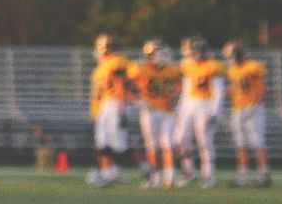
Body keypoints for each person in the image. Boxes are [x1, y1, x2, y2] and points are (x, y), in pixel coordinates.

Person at [173, 37, 225, 188]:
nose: (191, 55)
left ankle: (209, 176)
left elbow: (219, 91)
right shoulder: (187, 65)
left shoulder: (212, 66)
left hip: (205, 105)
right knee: (179, 139)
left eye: (193, 51)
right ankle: (189, 171)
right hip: (188, 105)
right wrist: (180, 108)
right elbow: (186, 89)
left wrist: (215, 112)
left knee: (205, 143)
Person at [130, 39, 180, 187]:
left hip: (167, 111)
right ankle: (155, 177)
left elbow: (180, 84)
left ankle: (170, 177)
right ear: (150, 55)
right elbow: (127, 85)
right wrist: (137, 101)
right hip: (149, 111)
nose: (163, 55)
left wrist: (176, 97)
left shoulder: (171, 70)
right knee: (152, 146)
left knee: (168, 144)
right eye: (159, 52)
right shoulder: (140, 69)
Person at [86, 34, 134, 187]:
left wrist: (124, 101)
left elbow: (122, 81)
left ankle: (112, 171)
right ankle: (107, 172)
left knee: (117, 143)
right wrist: (94, 111)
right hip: (103, 107)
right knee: (104, 142)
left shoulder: (117, 61)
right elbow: (98, 94)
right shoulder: (100, 68)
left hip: (114, 104)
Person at [223, 41, 271, 188]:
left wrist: (255, 105)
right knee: (241, 144)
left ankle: (264, 175)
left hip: (253, 108)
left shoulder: (253, 66)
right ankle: (242, 177)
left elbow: (262, 87)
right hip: (238, 108)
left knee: (257, 142)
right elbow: (236, 88)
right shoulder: (232, 69)